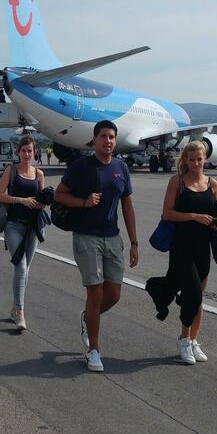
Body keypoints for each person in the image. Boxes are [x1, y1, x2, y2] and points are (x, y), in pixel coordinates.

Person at [54, 120, 138, 372]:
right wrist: (83, 202)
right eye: (103, 136)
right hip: (87, 237)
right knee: (96, 293)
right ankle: (93, 350)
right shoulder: (81, 166)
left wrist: (134, 242)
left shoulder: (121, 168)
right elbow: (59, 195)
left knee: (113, 295)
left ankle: (87, 317)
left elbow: (127, 206)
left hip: (113, 237)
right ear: (95, 139)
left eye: (112, 137)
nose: (108, 141)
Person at [158, 140, 217, 364]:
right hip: (182, 246)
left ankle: (194, 341)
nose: (196, 163)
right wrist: (194, 216)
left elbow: (215, 214)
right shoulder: (177, 182)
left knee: (199, 296)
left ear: (205, 159)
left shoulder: (212, 183)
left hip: (203, 247)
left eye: (200, 159)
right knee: (193, 292)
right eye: (191, 159)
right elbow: (167, 213)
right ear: (185, 160)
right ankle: (183, 339)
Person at [0, 135, 45, 330]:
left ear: (34, 152)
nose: (26, 154)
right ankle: (20, 311)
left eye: (29, 151)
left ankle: (15, 305)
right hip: (13, 225)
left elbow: (42, 199)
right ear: (18, 152)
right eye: (23, 151)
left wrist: (45, 200)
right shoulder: (11, 170)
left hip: (32, 226)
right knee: (21, 266)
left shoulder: (38, 173)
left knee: (25, 269)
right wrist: (21, 200)